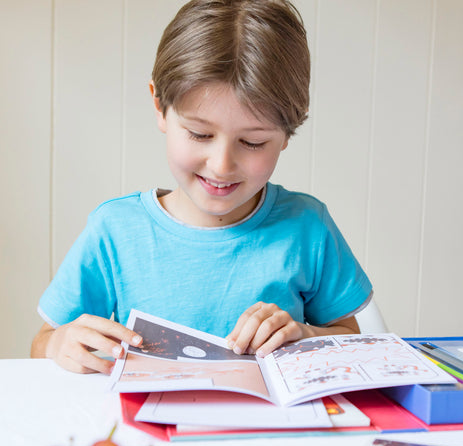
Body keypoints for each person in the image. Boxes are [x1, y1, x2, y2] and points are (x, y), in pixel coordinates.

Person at [31, 0, 373, 374]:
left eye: (253, 142)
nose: (222, 165)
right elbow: (42, 344)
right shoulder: (115, 230)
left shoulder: (308, 226)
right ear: (160, 108)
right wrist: (60, 343)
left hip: (275, 431)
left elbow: (351, 341)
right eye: (199, 133)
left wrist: (304, 335)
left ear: (287, 134)